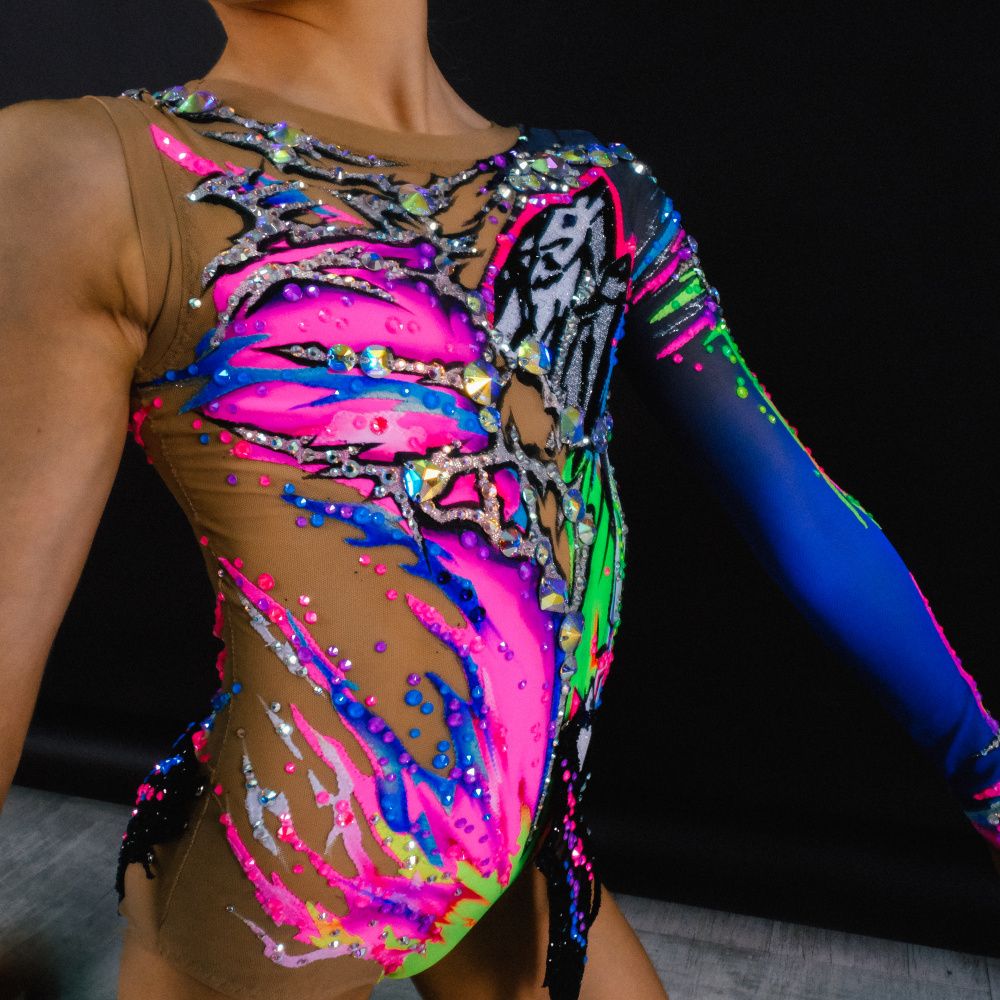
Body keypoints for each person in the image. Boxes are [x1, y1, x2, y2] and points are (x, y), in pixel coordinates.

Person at [0, 3, 997, 1000]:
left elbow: (802, 513)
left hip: (513, 853)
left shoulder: (601, 196)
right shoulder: (83, 173)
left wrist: (986, 770)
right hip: (283, 879)